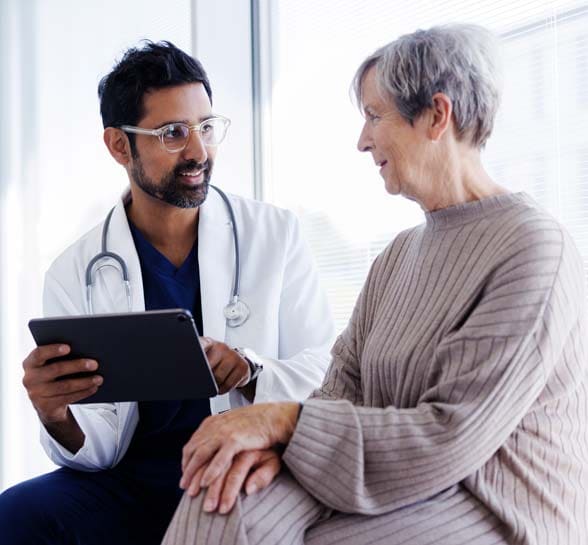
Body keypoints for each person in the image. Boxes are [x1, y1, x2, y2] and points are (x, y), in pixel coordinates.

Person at [161, 24, 588, 545]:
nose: (362, 140)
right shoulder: (399, 255)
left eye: (373, 115)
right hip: (389, 482)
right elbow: (341, 390)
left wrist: (283, 424)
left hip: (494, 503)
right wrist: (269, 446)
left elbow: (450, 436)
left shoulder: (532, 249)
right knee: (220, 501)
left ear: (436, 115)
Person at [0, 41, 335, 544]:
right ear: (118, 146)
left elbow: (327, 373)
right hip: (130, 482)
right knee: (17, 514)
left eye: (205, 127)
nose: (199, 151)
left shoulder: (275, 236)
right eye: (173, 133)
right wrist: (55, 413)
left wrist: (251, 369)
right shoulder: (75, 271)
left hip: (237, 467)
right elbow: (99, 449)